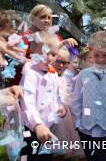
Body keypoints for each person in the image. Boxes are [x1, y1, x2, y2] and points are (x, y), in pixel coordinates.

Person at [71, 31, 106, 161]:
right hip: (86, 128)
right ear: (91, 51)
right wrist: (78, 122)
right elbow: (76, 100)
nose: (100, 59)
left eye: (105, 55)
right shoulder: (83, 74)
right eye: (96, 55)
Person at [19, 31, 67, 161]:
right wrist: (37, 125)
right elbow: (27, 102)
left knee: (46, 156)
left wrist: (59, 106)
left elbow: (55, 95)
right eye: (42, 53)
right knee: (30, 155)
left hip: (48, 126)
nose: (48, 58)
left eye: (52, 54)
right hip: (32, 127)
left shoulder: (53, 73)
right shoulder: (31, 73)